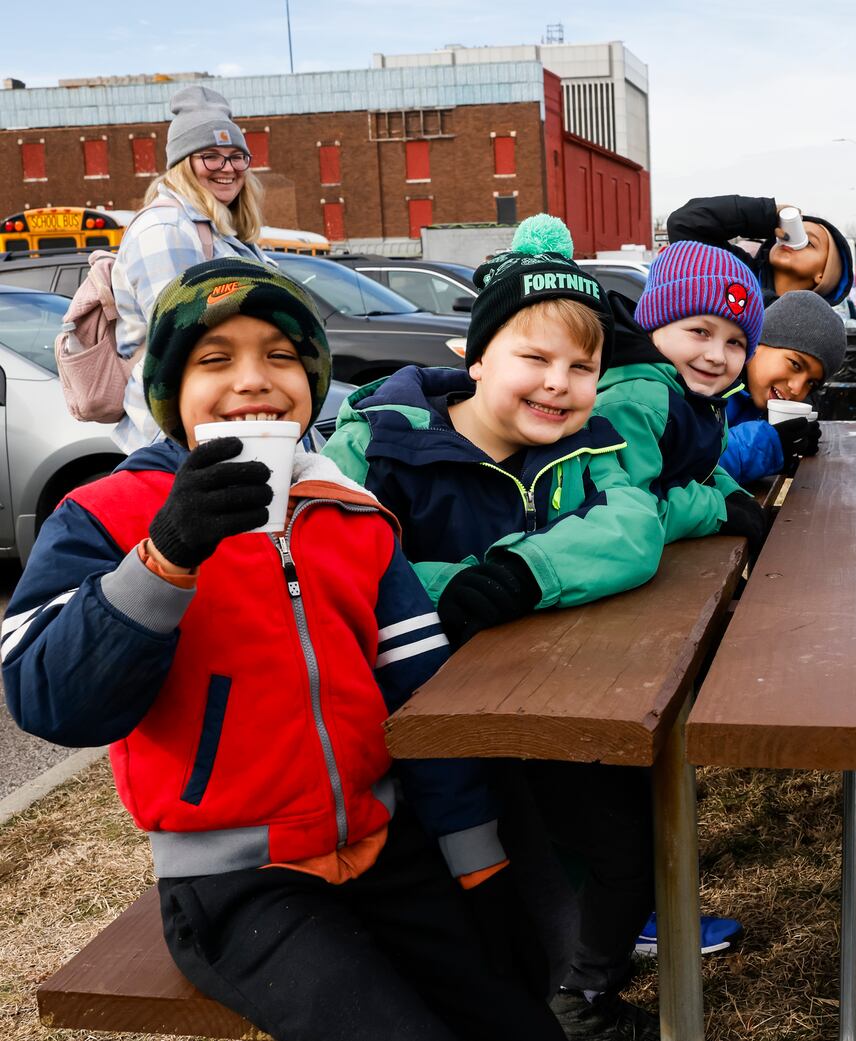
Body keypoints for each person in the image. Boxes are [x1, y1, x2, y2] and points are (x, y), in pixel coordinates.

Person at [2, 259, 561, 1041]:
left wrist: (477, 860)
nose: (253, 380)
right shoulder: (104, 514)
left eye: (280, 354)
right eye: (214, 359)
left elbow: (419, 699)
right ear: (170, 391)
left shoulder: (352, 512)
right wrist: (165, 557)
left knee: (520, 1020)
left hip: (381, 844)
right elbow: (48, 698)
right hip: (234, 885)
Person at [321, 215, 676, 1038]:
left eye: (582, 367)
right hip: (421, 737)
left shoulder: (590, 444)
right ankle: (542, 991)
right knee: (494, 889)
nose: (559, 384)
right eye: (535, 358)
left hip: (556, 709)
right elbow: (347, 557)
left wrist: (521, 573)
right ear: (474, 358)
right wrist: (449, 588)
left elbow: (633, 526)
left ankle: (581, 988)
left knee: (631, 844)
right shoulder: (384, 442)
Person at [111, 85, 267, 454]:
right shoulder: (166, 230)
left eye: (237, 156)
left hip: (222, 414)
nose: (227, 168)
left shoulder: (223, 231)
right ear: (183, 163)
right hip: (182, 430)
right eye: (210, 156)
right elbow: (181, 336)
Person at [593, 239, 769, 553]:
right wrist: (716, 507)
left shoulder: (697, 396)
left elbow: (695, 468)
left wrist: (731, 492)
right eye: (700, 331)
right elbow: (636, 514)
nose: (716, 356)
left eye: (735, 343)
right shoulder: (635, 403)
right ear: (654, 323)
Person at [719, 291, 845, 486]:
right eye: (795, 364)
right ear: (757, 342)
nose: (797, 389)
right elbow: (688, 463)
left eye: (811, 383)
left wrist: (787, 449)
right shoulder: (709, 381)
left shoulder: (756, 401)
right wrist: (769, 442)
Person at [664, 195, 854, 307]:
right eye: (790, 232)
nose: (792, 240)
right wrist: (765, 215)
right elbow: (684, 224)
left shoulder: (813, 327)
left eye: (809, 243)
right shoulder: (735, 274)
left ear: (822, 275)